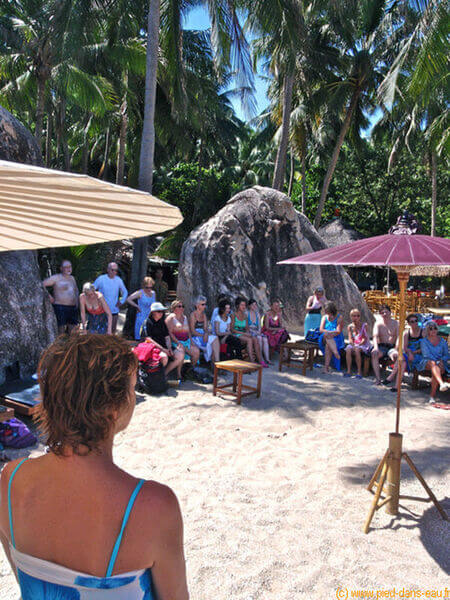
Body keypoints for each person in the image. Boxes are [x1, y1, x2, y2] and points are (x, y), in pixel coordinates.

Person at [0, 334, 189, 599]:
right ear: (112, 409)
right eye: (132, 389)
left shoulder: (10, 480)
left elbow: (26, 582)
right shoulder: (153, 505)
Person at [142, 302, 184, 380]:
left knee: (180, 354)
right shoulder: (147, 322)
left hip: (164, 347)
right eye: (159, 311)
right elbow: (148, 339)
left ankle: (165, 374)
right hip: (153, 348)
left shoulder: (162, 322)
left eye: (162, 311)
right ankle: (157, 376)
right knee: (164, 357)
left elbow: (167, 337)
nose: (161, 313)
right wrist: (163, 349)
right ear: (153, 312)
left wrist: (169, 348)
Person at [382, 313, 423, 390]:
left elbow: (424, 348)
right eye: (412, 321)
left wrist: (413, 353)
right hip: (408, 354)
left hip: (419, 355)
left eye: (416, 321)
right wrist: (410, 353)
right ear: (409, 323)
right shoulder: (406, 333)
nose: (415, 323)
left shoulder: (422, 332)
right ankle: (397, 385)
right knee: (402, 362)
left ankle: (391, 377)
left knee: (402, 359)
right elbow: (405, 347)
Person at [416, 321, 450, 403]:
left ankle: (432, 396)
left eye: (435, 328)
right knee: (433, 363)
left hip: (440, 363)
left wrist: (441, 360)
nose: (433, 330)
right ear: (427, 330)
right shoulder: (424, 341)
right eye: (430, 328)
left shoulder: (442, 341)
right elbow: (426, 355)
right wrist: (438, 361)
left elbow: (447, 354)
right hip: (426, 362)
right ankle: (441, 384)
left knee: (435, 369)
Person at [43, 259, 79, 333]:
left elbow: (76, 290)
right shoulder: (56, 278)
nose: (68, 269)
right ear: (61, 268)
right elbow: (42, 284)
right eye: (66, 267)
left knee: (73, 330)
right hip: (60, 307)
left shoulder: (72, 278)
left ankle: (71, 344)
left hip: (72, 308)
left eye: (70, 267)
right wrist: (49, 296)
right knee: (61, 330)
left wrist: (77, 303)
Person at [94, 262, 128, 334]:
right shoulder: (101, 279)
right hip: (102, 310)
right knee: (100, 331)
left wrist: (121, 301)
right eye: (112, 270)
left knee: (112, 332)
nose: (114, 272)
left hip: (114, 310)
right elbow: (92, 289)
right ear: (108, 270)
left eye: (116, 270)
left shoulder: (118, 280)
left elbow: (125, 292)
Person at [231, 297, 266, 366]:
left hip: (243, 334)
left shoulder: (245, 316)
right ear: (238, 306)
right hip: (236, 334)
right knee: (249, 340)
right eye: (242, 305)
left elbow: (247, 328)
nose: (244, 307)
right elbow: (232, 329)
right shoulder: (233, 315)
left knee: (255, 339)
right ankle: (252, 361)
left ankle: (260, 360)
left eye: (244, 305)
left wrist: (247, 333)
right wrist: (244, 333)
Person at [166, 300, 200, 368]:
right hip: (176, 342)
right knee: (181, 352)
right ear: (174, 308)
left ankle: (189, 369)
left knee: (196, 352)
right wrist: (178, 342)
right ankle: (179, 374)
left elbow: (188, 331)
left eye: (183, 306)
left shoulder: (185, 317)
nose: (182, 308)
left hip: (186, 341)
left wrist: (191, 341)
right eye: (179, 306)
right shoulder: (170, 318)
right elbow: (169, 333)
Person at [371, 305, 399, 385]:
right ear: (380, 314)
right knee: (374, 354)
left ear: (390, 312)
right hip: (382, 346)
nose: (385, 314)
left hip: (392, 347)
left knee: (397, 356)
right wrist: (375, 347)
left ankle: (392, 376)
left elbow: (399, 337)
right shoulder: (378, 324)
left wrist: (397, 347)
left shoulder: (396, 323)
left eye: (386, 312)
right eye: (382, 312)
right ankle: (378, 378)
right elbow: (375, 336)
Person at [189, 296, 220, 363]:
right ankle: (217, 363)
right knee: (214, 340)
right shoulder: (193, 315)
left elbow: (205, 328)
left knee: (214, 341)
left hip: (203, 336)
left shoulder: (204, 315)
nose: (204, 306)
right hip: (195, 337)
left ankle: (216, 364)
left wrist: (206, 333)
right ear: (197, 305)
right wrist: (203, 335)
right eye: (202, 304)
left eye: (205, 304)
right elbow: (192, 331)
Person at [344, 308, 372, 378]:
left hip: (363, 344)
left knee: (357, 350)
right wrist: (352, 344)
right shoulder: (350, 327)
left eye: (358, 316)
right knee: (348, 349)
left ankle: (359, 371)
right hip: (355, 343)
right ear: (351, 316)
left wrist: (358, 345)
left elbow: (364, 338)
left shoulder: (364, 325)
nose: (356, 317)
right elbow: (350, 338)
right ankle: (348, 370)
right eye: (354, 316)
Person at [319, 301, 345, 373]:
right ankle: (335, 351)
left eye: (328, 311)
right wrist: (329, 332)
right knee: (326, 335)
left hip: (336, 337)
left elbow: (338, 331)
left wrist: (330, 333)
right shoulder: (324, 317)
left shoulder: (339, 317)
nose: (326, 312)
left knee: (328, 346)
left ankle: (326, 368)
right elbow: (321, 329)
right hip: (325, 336)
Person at [247, 299, 270, 365]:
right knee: (259, 338)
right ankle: (260, 358)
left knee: (265, 339)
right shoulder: (246, 313)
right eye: (252, 305)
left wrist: (259, 331)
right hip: (250, 331)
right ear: (249, 306)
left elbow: (259, 325)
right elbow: (247, 326)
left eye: (255, 305)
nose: (254, 306)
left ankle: (267, 359)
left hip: (256, 331)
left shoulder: (257, 314)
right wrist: (255, 332)